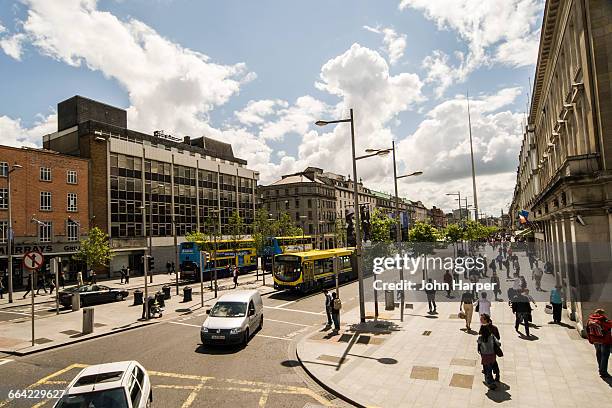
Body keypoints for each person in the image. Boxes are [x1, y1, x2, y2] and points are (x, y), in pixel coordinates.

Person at [585, 309, 611, 378]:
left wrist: (590, 340)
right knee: (604, 356)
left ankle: (600, 369)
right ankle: (603, 372)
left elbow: (587, 330)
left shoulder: (590, 320)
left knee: (599, 354)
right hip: (604, 341)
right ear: (602, 314)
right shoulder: (603, 320)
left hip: (595, 340)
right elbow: (609, 325)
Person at [477, 323, 501, 389]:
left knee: (488, 369)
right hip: (492, 355)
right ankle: (495, 377)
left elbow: (478, 343)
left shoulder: (480, 338)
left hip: (485, 356)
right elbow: (499, 343)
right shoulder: (492, 336)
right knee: (492, 366)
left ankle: (491, 382)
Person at [479, 314, 501, 382]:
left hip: (486, 351)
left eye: (482, 319)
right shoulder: (494, 327)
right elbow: (498, 338)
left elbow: (480, 340)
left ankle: (490, 379)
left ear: (486, 319)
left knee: (488, 364)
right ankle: (497, 374)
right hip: (492, 350)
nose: (480, 320)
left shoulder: (485, 328)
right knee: (493, 362)